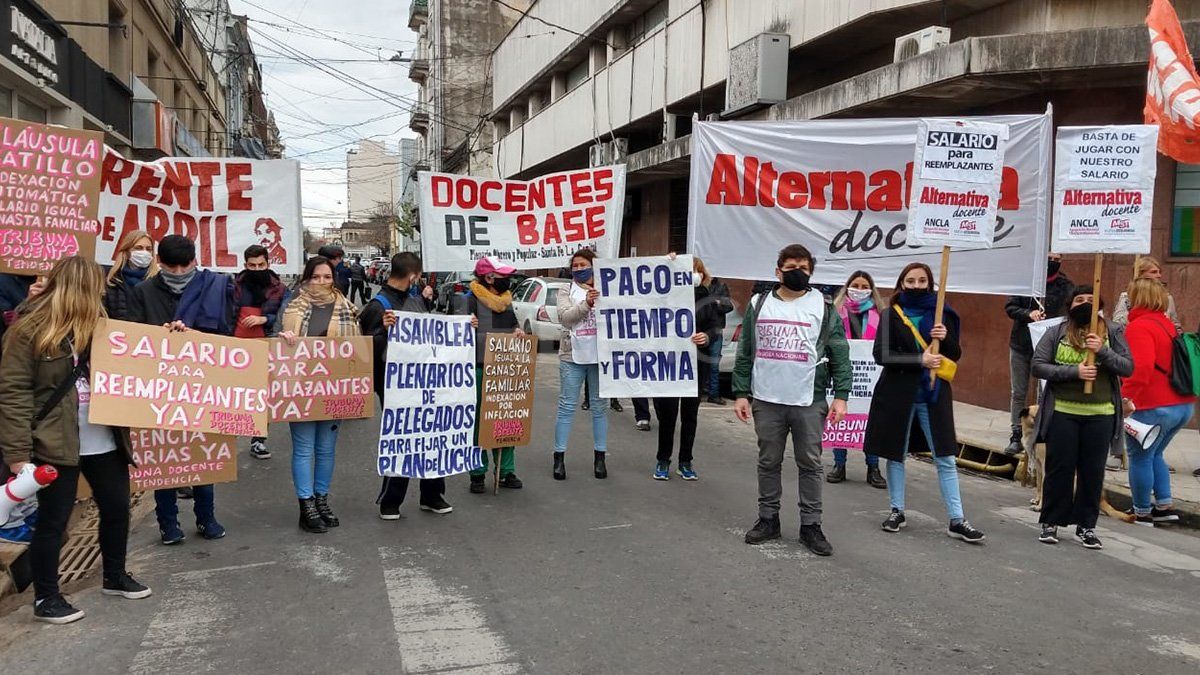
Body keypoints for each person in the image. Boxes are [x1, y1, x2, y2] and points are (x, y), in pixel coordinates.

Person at [0, 257, 151, 625]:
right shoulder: (27, 331)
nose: (101, 294)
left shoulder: (103, 329)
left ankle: (115, 575)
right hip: (54, 441)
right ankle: (46, 597)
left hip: (103, 437)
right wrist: (19, 456)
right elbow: (13, 392)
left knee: (116, 508)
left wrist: (173, 335)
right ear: (77, 289)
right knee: (53, 521)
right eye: (95, 287)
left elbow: (147, 358)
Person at [734, 244, 850, 557]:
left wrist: (841, 395)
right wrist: (741, 392)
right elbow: (746, 350)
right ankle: (768, 519)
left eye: (803, 266)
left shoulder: (823, 307)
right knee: (768, 461)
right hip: (767, 398)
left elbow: (838, 350)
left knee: (810, 464)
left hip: (808, 399)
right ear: (778, 271)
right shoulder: (759, 304)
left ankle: (811, 525)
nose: (797, 270)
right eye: (791, 265)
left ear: (811, 272)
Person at [863, 262, 985, 544]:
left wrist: (946, 338)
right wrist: (919, 360)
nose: (916, 285)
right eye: (910, 280)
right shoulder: (890, 314)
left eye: (921, 281)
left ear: (930, 283)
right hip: (898, 394)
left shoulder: (943, 313)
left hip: (933, 394)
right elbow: (881, 354)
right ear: (901, 283)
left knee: (945, 456)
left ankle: (957, 519)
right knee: (896, 453)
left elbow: (955, 354)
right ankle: (896, 510)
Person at [129, 235, 232, 544]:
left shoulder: (215, 286)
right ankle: (168, 523)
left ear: (194, 262)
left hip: (202, 384)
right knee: (166, 456)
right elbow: (131, 334)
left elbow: (226, 331)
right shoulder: (142, 292)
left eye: (183, 266)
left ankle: (206, 517)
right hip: (159, 385)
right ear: (159, 263)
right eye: (170, 266)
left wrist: (196, 336)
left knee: (203, 450)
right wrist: (157, 336)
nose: (177, 272)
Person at [1031, 286, 1132, 548]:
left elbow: (1127, 366)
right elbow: (1038, 365)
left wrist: (1103, 351)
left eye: (1091, 300)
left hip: (1101, 414)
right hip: (1064, 412)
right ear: (1070, 305)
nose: (1085, 303)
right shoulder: (1056, 332)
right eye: (1080, 300)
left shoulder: (1112, 331)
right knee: (1059, 469)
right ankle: (1051, 521)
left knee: (1092, 472)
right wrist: (1073, 372)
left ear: (1100, 304)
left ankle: (1087, 526)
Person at [359, 252, 453, 518]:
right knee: (401, 440)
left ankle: (432, 494)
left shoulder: (415, 300)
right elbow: (363, 350)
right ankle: (391, 501)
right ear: (413, 276)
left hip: (425, 382)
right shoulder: (378, 306)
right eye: (418, 275)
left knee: (432, 437)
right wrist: (383, 332)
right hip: (393, 385)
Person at [278, 256, 360, 533]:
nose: (322, 282)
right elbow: (277, 347)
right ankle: (306, 505)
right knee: (303, 448)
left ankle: (322, 500)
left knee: (326, 450)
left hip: (333, 389)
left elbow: (357, 350)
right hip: (300, 387)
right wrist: (285, 340)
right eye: (316, 277)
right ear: (307, 278)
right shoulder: (293, 307)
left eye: (327, 277)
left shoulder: (348, 308)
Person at [1121, 278, 1197, 526]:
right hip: (1182, 404)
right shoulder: (1168, 324)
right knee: (1156, 454)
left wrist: (1125, 398)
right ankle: (1164, 505)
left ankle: (1142, 510)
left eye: (1130, 295)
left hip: (1153, 405)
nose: (1127, 300)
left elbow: (1140, 368)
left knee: (1140, 457)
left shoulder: (1139, 327)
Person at [652, 256, 721, 481]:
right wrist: (666, 262)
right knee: (668, 415)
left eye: (696, 270)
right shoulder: (665, 295)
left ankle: (685, 461)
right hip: (670, 363)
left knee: (690, 415)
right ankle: (663, 460)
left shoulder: (706, 298)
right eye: (688, 269)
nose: (693, 274)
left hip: (695, 364)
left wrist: (707, 336)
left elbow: (714, 327)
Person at [463, 256, 526, 493]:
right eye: (503, 276)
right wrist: (465, 325)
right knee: (478, 422)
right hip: (478, 369)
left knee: (506, 418)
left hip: (504, 369)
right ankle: (477, 473)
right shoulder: (467, 301)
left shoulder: (505, 302)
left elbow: (513, 326)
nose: (507, 281)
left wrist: (517, 332)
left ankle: (506, 471)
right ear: (489, 277)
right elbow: (454, 334)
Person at [1003, 252, 1074, 455]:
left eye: (1057, 259)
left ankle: (1041, 433)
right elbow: (1010, 307)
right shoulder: (1027, 281)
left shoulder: (1066, 286)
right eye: (1049, 257)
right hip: (1021, 344)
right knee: (1019, 392)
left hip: (1048, 347)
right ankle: (1016, 434)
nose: (1053, 262)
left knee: (1044, 392)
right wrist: (1028, 314)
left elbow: (1072, 311)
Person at [826, 270, 887, 489]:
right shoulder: (835, 312)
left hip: (870, 375)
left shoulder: (880, 314)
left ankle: (873, 467)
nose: (859, 290)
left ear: (871, 289)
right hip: (842, 370)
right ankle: (839, 465)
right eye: (855, 285)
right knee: (840, 418)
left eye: (864, 286)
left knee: (870, 422)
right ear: (847, 286)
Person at [555, 248, 608, 481]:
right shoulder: (566, 289)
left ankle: (600, 458)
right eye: (574, 265)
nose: (579, 269)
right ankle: (558, 458)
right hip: (572, 356)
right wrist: (587, 303)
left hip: (600, 357)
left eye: (583, 264)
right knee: (566, 407)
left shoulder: (608, 286)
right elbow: (565, 317)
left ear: (593, 265)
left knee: (599, 408)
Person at [233, 245, 289, 460]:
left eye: (261, 265)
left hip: (266, 346)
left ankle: (258, 440)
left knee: (263, 396)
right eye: (252, 265)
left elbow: (285, 316)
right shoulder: (234, 286)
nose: (257, 269)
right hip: (236, 349)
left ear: (268, 263)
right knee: (234, 396)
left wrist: (266, 319)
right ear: (245, 265)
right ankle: (228, 439)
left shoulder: (280, 289)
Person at [1111, 256, 1181, 329]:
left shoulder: (1166, 297)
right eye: (1154, 272)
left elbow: (1175, 325)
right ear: (1140, 274)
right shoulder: (1127, 297)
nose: (1159, 275)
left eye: (1159, 272)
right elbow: (1117, 323)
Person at [102, 230, 157, 322]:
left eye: (148, 249)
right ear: (127, 252)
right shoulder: (111, 281)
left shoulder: (157, 282)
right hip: (116, 334)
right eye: (138, 248)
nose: (144, 252)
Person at [702, 270, 734, 404]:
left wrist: (716, 303)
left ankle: (713, 394)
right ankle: (698, 392)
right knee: (700, 363)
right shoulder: (698, 285)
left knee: (714, 364)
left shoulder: (721, 286)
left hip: (715, 331)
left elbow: (728, 306)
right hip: (700, 329)